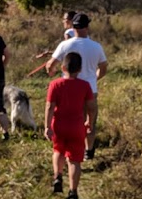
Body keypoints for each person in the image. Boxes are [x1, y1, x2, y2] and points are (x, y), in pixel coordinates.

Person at [45, 12, 107, 159]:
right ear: (87, 27)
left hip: (67, 88)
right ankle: (88, 151)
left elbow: (50, 65)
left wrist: (52, 72)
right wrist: (95, 78)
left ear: (73, 27)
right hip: (90, 88)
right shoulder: (96, 47)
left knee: (68, 119)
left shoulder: (65, 45)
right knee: (89, 120)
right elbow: (103, 68)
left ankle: (65, 149)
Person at [44, 51, 97, 199]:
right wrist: (89, 122)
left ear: (63, 67)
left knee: (58, 150)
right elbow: (91, 106)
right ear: (79, 69)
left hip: (59, 125)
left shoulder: (55, 84)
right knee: (74, 160)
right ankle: (73, 192)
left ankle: (58, 176)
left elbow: (50, 106)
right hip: (76, 126)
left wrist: (47, 126)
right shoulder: (85, 86)